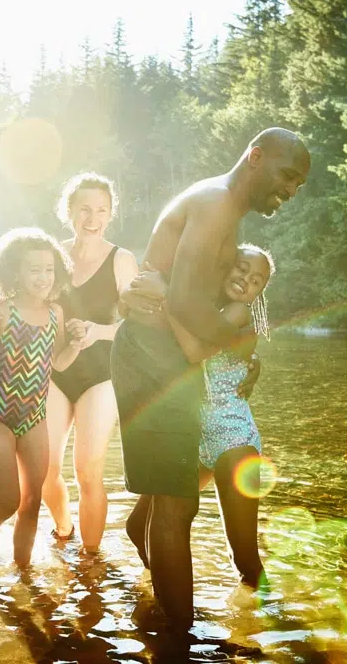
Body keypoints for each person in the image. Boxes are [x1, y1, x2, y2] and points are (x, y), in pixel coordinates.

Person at [112, 127, 309, 628]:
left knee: (171, 506)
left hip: (173, 363)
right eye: (287, 177)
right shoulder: (217, 202)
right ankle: (178, 641)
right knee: (177, 509)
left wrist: (242, 352)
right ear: (255, 156)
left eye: (298, 185)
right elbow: (183, 304)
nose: (289, 191)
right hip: (154, 362)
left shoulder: (225, 212)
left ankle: (170, 625)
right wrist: (217, 335)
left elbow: (189, 296)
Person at [0, 174, 138, 553]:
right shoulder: (53, 256)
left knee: (87, 470)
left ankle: (91, 561)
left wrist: (98, 332)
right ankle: (64, 528)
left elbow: (138, 325)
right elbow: (16, 292)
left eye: (101, 209)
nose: (92, 217)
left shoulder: (122, 260)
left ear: (111, 213)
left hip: (100, 375)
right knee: (46, 471)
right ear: (69, 211)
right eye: (84, 208)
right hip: (54, 373)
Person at [125, 245, 276, 591]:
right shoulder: (202, 308)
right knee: (137, 527)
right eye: (240, 269)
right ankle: (159, 589)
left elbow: (194, 350)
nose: (245, 281)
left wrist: (167, 295)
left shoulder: (237, 312)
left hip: (233, 440)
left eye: (256, 281)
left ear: (258, 294)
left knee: (245, 559)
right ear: (223, 266)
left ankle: (265, 622)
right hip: (193, 439)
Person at [0, 228, 85, 568]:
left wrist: (74, 345)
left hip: (35, 418)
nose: (43, 277)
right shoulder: (0, 311)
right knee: (8, 501)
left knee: (31, 503)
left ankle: (23, 574)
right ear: (15, 271)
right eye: (34, 269)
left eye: (49, 269)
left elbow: (56, 361)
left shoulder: (56, 313)